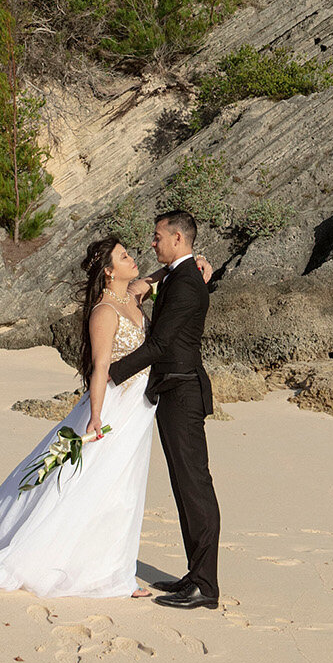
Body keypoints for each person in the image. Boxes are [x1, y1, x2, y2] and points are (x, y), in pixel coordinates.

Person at [0, 237, 168, 599]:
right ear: (109, 271)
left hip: (140, 409)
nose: (133, 259)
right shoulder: (105, 311)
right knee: (95, 486)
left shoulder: (132, 296)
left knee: (124, 488)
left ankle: (112, 569)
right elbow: (99, 369)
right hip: (114, 407)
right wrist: (96, 415)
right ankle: (103, 574)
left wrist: (189, 264)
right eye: (124, 256)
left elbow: (155, 278)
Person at [100, 211, 222, 610]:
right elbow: (159, 278)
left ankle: (205, 584)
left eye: (157, 237)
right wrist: (153, 277)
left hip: (183, 392)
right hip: (171, 392)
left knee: (195, 487)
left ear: (177, 239)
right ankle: (194, 574)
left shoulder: (187, 285)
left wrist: (110, 374)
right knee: (183, 486)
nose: (151, 243)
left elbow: (161, 346)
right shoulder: (177, 274)